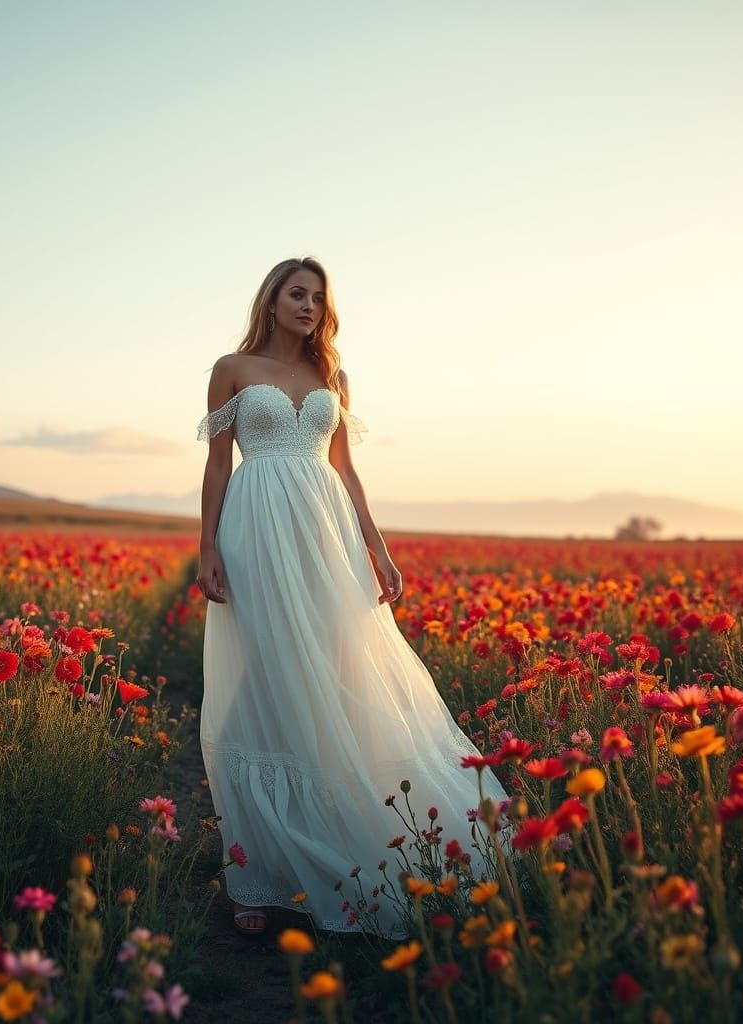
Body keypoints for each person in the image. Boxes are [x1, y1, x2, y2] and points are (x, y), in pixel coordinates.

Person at [195, 256, 507, 938]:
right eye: (295, 293)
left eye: (317, 297)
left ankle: (335, 838)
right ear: (271, 300)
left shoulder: (332, 375)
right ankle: (256, 872)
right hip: (256, 527)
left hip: (326, 531)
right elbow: (218, 465)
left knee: (336, 673)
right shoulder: (232, 369)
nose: (308, 305)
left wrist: (379, 547)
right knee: (265, 674)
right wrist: (208, 546)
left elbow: (347, 470)